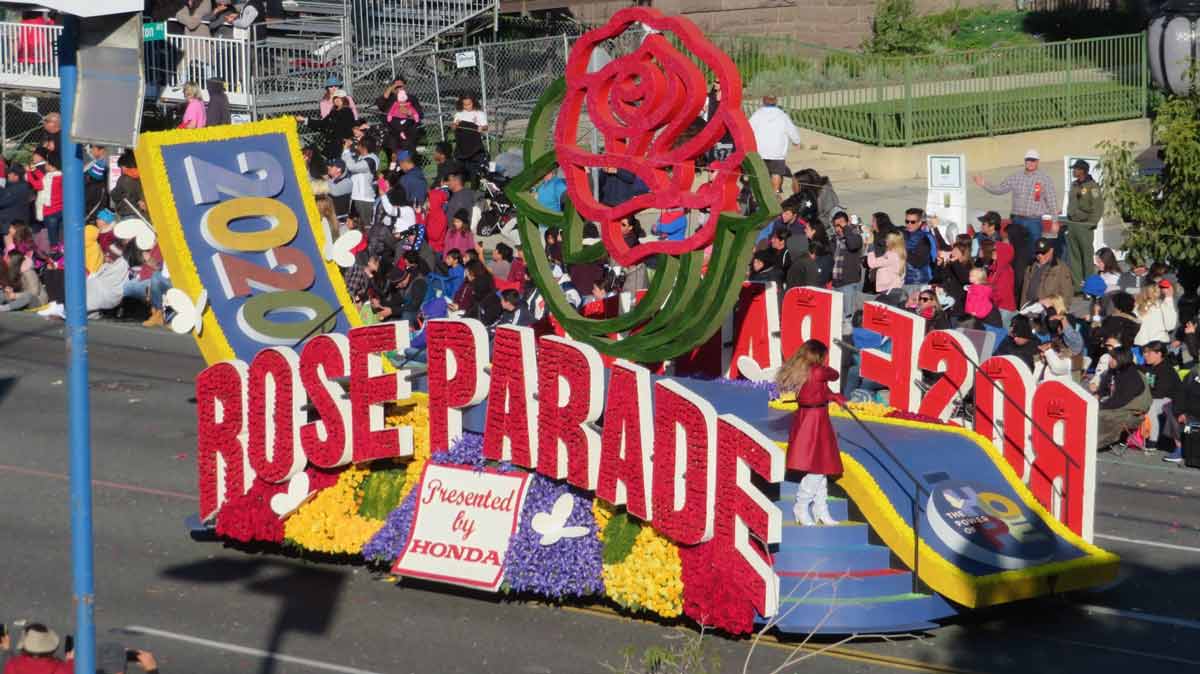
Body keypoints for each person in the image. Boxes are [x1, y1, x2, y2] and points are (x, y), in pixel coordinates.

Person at [775, 339, 845, 526]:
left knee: (821, 465)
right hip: (813, 420)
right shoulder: (818, 371)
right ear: (818, 355)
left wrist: (833, 397)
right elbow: (834, 375)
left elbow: (819, 391)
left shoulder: (806, 371)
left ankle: (820, 509)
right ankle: (801, 505)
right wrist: (830, 375)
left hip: (814, 417)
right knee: (818, 466)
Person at [973, 149, 1058, 263]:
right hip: (1017, 219)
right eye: (1028, 160)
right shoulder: (1016, 177)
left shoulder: (1044, 179)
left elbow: (1051, 199)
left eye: (1033, 160)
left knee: (1035, 250)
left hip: (1034, 220)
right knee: (1014, 251)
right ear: (1025, 161)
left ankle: (1032, 273)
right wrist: (984, 184)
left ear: (1038, 162)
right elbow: (1000, 189)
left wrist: (1055, 221)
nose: (1031, 163)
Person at [1096, 345, 1152, 449]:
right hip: (1117, 406)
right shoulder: (1113, 371)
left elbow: (1120, 400)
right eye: (1111, 357)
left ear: (1122, 359)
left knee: (1100, 415)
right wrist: (1097, 396)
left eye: (1113, 358)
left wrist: (1100, 406)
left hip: (1132, 412)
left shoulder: (1132, 375)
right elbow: (1103, 389)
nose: (1110, 360)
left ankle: (1094, 442)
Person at [748, 95, 802, 194]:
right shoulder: (782, 115)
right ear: (776, 101)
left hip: (760, 150)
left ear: (763, 101)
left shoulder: (757, 114)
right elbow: (792, 130)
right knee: (776, 173)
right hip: (777, 151)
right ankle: (775, 192)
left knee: (761, 173)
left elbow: (748, 129)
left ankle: (762, 192)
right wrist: (797, 141)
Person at [1065, 159, 1102, 285]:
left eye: (1076, 169)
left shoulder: (1092, 186)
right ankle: (1077, 285)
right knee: (1074, 256)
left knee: (1086, 256)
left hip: (1085, 226)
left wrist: (1091, 223)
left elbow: (1098, 207)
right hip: (1073, 225)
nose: (1074, 171)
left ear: (1082, 171)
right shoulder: (1074, 185)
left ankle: (1089, 284)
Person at [1021, 238, 1074, 307]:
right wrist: (1022, 308)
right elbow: (1024, 292)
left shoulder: (1061, 268)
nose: (1040, 256)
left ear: (1051, 250)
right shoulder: (1030, 267)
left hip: (1049, 312)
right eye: (1037, 252)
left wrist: (1059, 313)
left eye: (1043, 253)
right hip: (1029, 309)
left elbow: (1067, 295)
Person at [1, 622, 71, 674]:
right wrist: (70, 661)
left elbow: (9, 664)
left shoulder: (12, 666)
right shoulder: (61, 668)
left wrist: (6, 649)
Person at [342, 136, 380, 227]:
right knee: (352, 226)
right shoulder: (361, 157)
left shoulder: (371, 160)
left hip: (364, 199)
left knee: (364, 226)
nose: (357, 146)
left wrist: (347, 151)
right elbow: (346, 162)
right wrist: (347, 150)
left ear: (364, 147)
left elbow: (352, 167)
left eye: (359, 144)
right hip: (356, 197)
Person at [830, 211, 863, 317]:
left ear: (847, 223)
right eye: (836, 226)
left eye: (841, 225)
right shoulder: (834, 240)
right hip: (835, 283)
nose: (838, 228)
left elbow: (853, 245)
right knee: (836, 316)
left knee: (848, 316)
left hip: (848, 283)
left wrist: (846, 228)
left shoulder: (855, 237)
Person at [27, 148, 62, 246]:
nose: (45, 164)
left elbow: (37, 185)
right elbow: (44, 179)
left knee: (53, 239)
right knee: (59, 236)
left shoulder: (50, 178)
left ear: (52, 166)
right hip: (59, 210)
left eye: (46, 163)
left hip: (50, 212)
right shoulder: (58, 176)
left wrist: (29, 173)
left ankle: (56, 256)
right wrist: (35, 171)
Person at [900, 208, 935, 290]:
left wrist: (901, 250)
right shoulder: (906, 233)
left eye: (912, 222)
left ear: (920, 222)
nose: (909, 224)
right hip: (906, 280)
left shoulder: (924, 238)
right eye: (907, 221)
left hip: (918, 281)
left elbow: (919, 263)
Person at [866, 231, 905, 295]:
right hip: (892, 288)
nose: (885, 240)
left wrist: (870, 246)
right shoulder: (897, 253)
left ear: (892, 242)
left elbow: (872, 263)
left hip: (889, 290)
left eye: (887, 239)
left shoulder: (892, 255)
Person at [0, 165, 33, 236]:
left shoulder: (19, 188)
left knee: (13, 245)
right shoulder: (16, 186)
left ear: (16, 176)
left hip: (14, 226)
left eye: (10, 173)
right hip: (13, 223)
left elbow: (3, 202)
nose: (8, 175)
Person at [83, 144, 108, 216]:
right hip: (94, 202)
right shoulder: (98, 162)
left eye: (93, 148)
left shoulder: (100, 165)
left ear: (101, 151)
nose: (91, 150)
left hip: (93, 202)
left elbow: (93, 179)